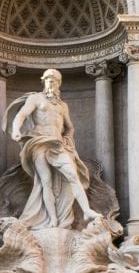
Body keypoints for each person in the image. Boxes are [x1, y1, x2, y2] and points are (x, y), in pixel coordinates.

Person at [6, 68, 101, 230]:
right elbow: (21, 115)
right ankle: (53, 219)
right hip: (39, 142)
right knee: (46, 182)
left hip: (57, 145)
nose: (52, 83)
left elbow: (69, 127)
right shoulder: (36, 98)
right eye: (49, 80)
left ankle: (86, 210)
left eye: (55, 81)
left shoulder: (62, 106)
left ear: (59, 84)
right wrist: (16, 129)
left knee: (73, 175)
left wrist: (68, 138)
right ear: (44, 82)